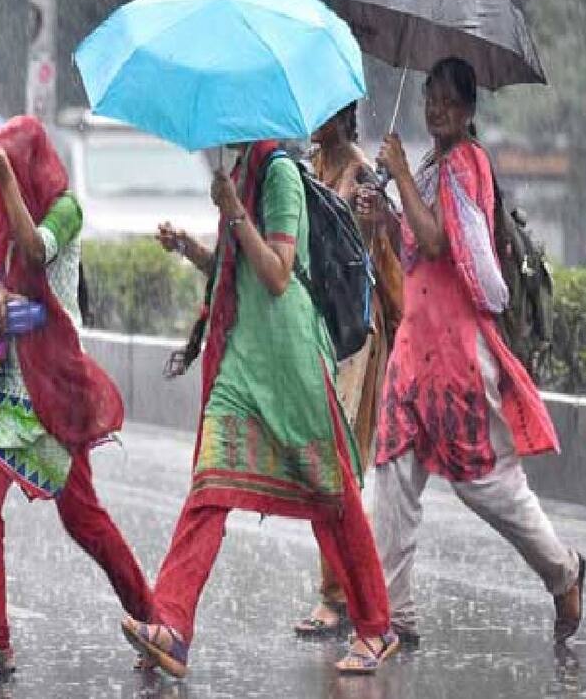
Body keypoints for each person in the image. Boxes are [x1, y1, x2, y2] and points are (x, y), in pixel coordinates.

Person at [124, 138, 399, 679]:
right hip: (245, 359)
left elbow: (277, 271)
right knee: (210, 484)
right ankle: (172, 625)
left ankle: (376, 626)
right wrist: (195, 245)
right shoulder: (243, 169)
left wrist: (233, 212)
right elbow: (238, 268)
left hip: (289, 356)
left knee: (330, 492)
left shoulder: (278, 175)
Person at [362, 56, 585, 648]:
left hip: (456, 359)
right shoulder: (435, 167)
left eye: (447, 100)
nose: (435, 107)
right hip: (415, 350)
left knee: (486, 484)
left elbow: (440, 240)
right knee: (391, 474)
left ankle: (563, 571)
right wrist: (382, 215)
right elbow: (415, 250)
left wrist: (400, 175)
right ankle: (393, 614)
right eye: (430, 97)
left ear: (467, 111)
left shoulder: (466, 165)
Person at [0, 115, 154, 681]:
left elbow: (35, 254)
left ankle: (153, 619)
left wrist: (9, 184)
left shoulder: (66, 208)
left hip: (56, 385)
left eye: (13, 172)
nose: (3, 186)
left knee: (83, 519)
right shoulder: (4, 206)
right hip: (13, 386)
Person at [295, 102, 404, 636]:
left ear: (343, 115)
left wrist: (368, 218)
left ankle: (342, 596)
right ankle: (344, 590)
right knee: (322, 460)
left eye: (323, 107)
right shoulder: (309, 166)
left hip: (356, 335)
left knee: (337, 464)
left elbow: (371, 254)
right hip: (320, 327)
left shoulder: (362, 172)